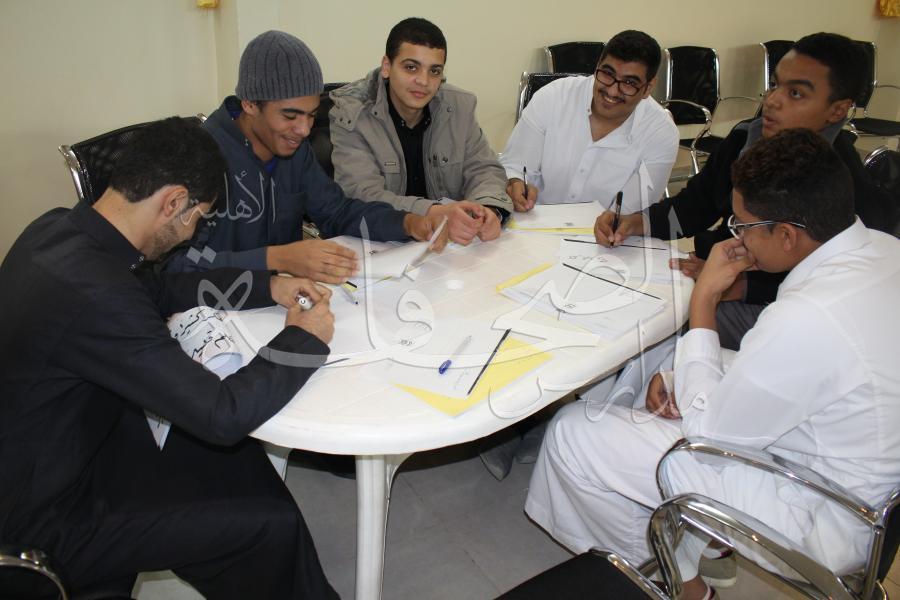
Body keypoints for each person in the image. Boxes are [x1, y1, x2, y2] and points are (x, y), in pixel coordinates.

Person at [526, 129, 900, 600]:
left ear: (787, 235)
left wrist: (704, 299)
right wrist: (679, 376)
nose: (736, 236)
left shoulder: (809, 316)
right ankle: (683, 538)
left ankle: (679, 584)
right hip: (853, 465)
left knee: (574, 433)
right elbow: (795, 371)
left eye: (743, 226)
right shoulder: (884, 250)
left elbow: (708, 437)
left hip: (822, 515)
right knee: (668, 361)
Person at [0, 118, 339, 599]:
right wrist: (303, 339)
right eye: (198, 217)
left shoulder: (58, 229)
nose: (191, 233)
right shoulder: (96, 294)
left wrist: (269, 286)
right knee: (266, 521)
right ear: (174, 202)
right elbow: (222, 414)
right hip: (46, 514)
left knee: (238, 465)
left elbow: (160, 289)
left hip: (68, 439)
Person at [594, 32, 889, 349]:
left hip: (775, 304)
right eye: (774, 85)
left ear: (837, 110)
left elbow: (837, 283)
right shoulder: (746, 138)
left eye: (796, 93)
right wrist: (637, 222)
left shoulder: (844, 184)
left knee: (653, 332)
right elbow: (695, 206)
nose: (772, 101)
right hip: (718, 270)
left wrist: (741, 285)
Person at [164, 30, 445, 283]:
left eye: (311, 115)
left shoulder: (294, 149)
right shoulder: (195, 159)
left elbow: (337, 212)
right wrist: (279, 258)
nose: (304, 129)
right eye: (290, 116)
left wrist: (406, 222)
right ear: (249, 104)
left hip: (286, 301)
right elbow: (175, 266)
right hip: (216, 310)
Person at [329, 17, 512, 246]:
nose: (424, 81)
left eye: (434, 71)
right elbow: (362, 195)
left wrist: (488, 209)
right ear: (386, 67)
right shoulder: (351, 113)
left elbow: (484, 169)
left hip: (447, 248)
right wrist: (435, 212)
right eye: (411, 67)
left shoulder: (459, 106)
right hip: (380, 245)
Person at [501, 29, 678, 214]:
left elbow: (630, 214)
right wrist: (515, 183)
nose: (612, 91)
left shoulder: (661, 132)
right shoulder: (554, 97)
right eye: (607, 74)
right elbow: (515, 165)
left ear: (648, 88)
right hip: (533, 220)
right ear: (597, 66)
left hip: (604, 231)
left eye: (629, 83)